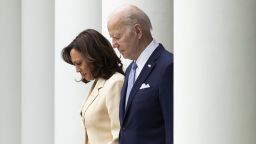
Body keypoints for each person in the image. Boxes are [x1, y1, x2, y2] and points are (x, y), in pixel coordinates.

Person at [107, 4, 173, 144]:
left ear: (137, 31)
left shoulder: (167, 66)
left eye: (117, 36)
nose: (114, 44)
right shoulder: (130, 69)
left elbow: (172, 127)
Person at [61, 29, 124, 144]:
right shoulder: (99, 83)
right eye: (74, 64)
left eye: (79, 63)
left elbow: (119, 137)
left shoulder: (115, 83)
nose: (76, 69)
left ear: (94, 56)